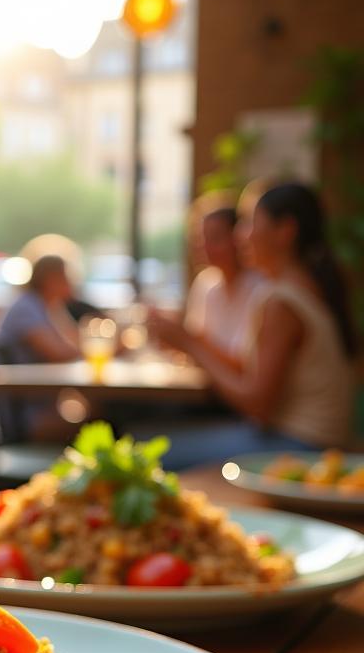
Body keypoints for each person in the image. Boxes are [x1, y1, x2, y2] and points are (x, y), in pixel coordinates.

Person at [148, 181, 355, 466]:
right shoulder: (304, 289)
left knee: (151, 452)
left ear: (285, 231)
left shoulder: (282, 301)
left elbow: (257, 406)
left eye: (249, 223)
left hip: (299, 447)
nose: (239, 236)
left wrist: (190, 344)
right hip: (309, 442)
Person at [0, 254, 81, 441]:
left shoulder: (46, 306)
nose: (72, 283)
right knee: (99, 418)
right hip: (22, 417)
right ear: (51, 279)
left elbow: (74, 345)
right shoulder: (26, 308)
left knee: (93, 412)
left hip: (38, 405)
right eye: (66, 277)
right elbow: (59, 353)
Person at [181, 197, 263, 364]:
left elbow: (244, 363)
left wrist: (187, 340)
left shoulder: (260, 287)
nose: (205, 246)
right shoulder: (205, 282)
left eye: (215, 238)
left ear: (238, 239)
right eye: (201, 238)